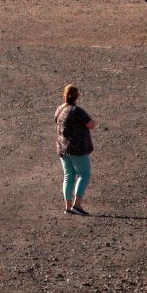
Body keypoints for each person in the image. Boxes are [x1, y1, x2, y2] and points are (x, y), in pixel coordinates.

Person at [54, 83, 95, 214]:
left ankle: (68, 206)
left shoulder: (60, 109)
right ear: (76, 96)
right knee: (84, 174)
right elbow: (91, 125)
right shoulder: (76, 111)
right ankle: (77, 205)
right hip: (77, 148)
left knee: (68, 176)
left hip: (62, 147)